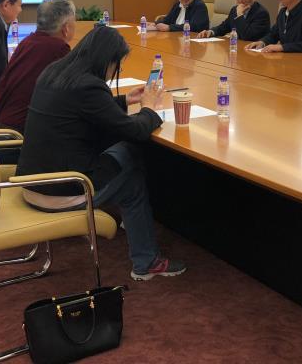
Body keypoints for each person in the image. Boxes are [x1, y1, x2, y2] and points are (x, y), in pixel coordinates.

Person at [17, 26, 186, 281]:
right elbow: (136, 131)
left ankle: (133, 223)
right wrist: (149, 109)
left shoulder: (54, 72)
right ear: (107, 60)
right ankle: (147, 261)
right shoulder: (89, 86)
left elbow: (82, 109)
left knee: (124, 155)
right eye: (117, 65)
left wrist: (123, 101)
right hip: (63, 192)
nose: (115, 71)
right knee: (132, 169)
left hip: (31, 183)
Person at [0, 0, 76, 132]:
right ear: (66, 28)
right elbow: (74, 91)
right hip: (19, 133)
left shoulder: (27, 42)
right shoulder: (58, 48)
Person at [198, 0, 271, 41]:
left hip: (254, 50)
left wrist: (239, 15)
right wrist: (211, 32)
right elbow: (224, 27)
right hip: (238, 48)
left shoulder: (261, 13)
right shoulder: (234, 10)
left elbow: (248, 37)